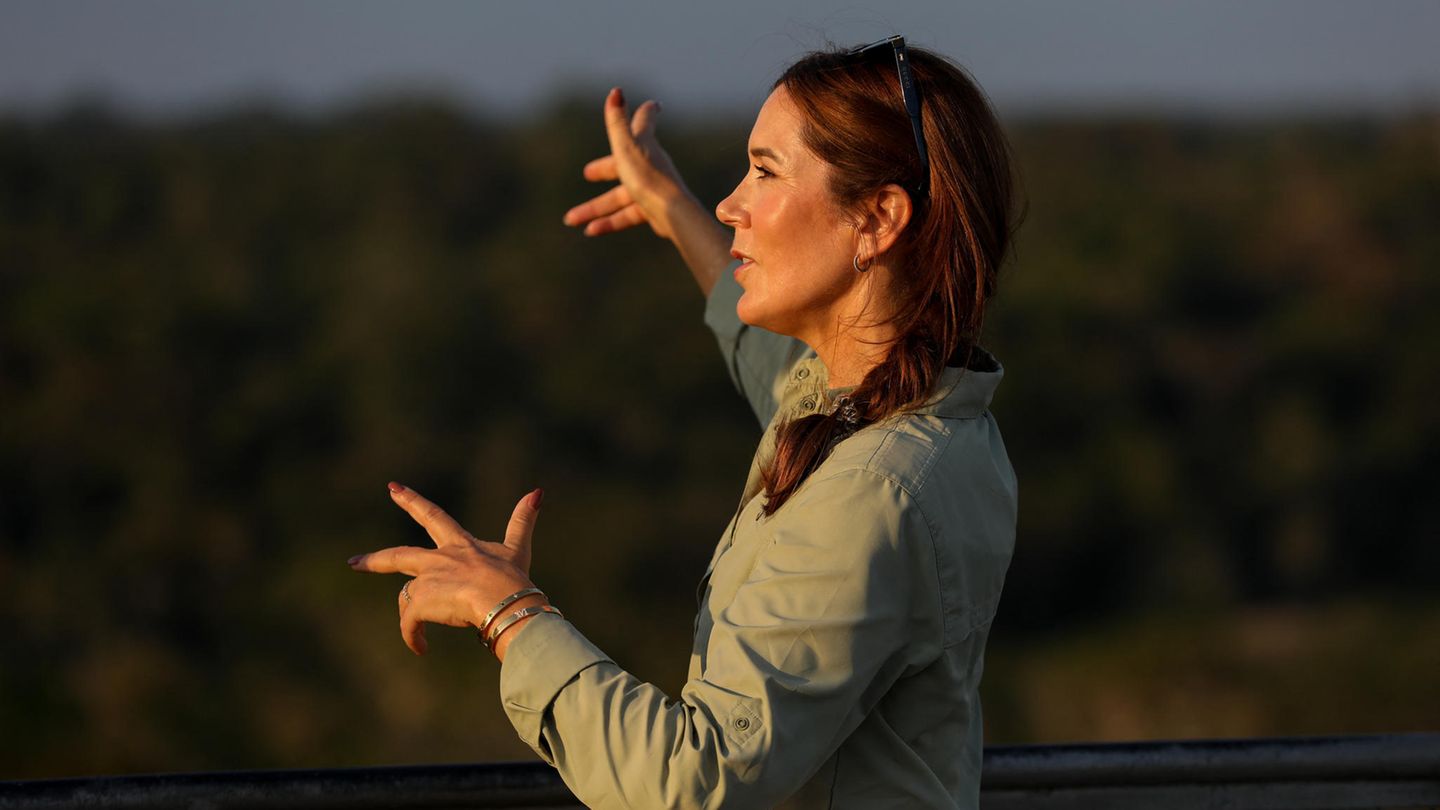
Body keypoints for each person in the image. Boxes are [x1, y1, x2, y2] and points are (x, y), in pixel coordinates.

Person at [349, 36, 1019, 809]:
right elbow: (772, 366)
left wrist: (508, 612)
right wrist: (673, 212)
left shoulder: (871, 491)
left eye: (765, 171)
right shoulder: (927, 413)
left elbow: (693, 783)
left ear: (877, 220)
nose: (732, 201)